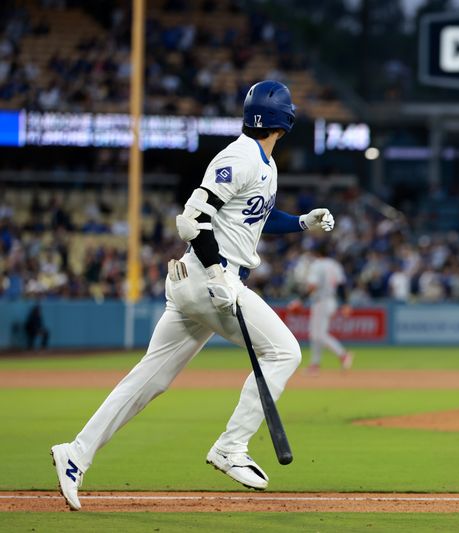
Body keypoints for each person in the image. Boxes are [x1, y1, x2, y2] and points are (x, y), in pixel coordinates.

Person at [51, 81, 336, 511]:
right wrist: (219, 273)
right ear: (284, 120)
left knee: (150, 380)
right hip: (211, 278)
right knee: (285, 352)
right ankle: (231, 446)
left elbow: (255, 216)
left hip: (197, 281)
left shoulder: (263, 162)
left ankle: (75, 453)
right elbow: (193, 217)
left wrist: (300, 223)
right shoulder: (239, 156)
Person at [290, 241, 354, 374]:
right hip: (331, 301)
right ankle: (315, 365)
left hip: (321, 302)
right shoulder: (335, 265)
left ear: (316, 253)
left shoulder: (317, 265)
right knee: (315, 334)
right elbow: (342, 286)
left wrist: (300, 301)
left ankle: (343, 354)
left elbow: (313, 286)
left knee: (318, 335)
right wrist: (346, 303)